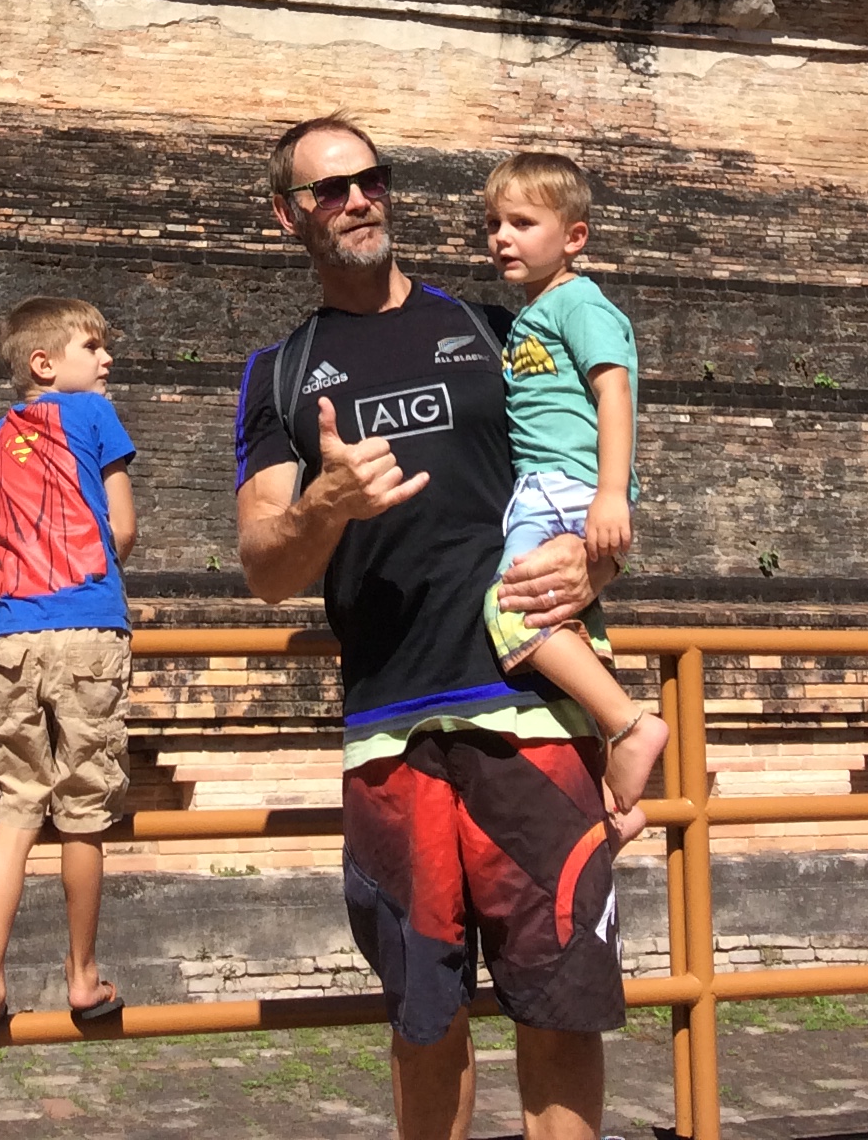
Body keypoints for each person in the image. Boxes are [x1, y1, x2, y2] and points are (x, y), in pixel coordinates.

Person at [236, 116, 626, 1140]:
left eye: (370, 179)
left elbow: (590, 476)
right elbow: (265, 568)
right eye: (328, 189)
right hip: (391, 729)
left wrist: (594, 562)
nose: (357, 199)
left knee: (560, 1006)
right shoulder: (280, 373)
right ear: (287, 214)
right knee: (424, 1018)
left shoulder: (501, 330)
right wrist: (325, 504)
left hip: (529, 711)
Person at [0, 295, 137, 1051]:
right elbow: (122, 528)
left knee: (15, 814)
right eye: (94, 346)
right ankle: (82, 975)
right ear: (45, 363)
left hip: (8, 638)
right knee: (83, 810)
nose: (107, 358)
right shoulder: (95, 414)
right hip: (88, 629)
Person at [480, 152, 669, 849]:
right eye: (494, 224)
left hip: (565, 487)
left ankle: (629, 724)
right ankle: (616, 802)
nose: (502, 237)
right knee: (571, 632)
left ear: (574, 237)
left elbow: (614, 391)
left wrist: (611, 494)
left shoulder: (579, 303)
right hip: (547, 488)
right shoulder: (534, 313)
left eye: (523, 223)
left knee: (510, 608)